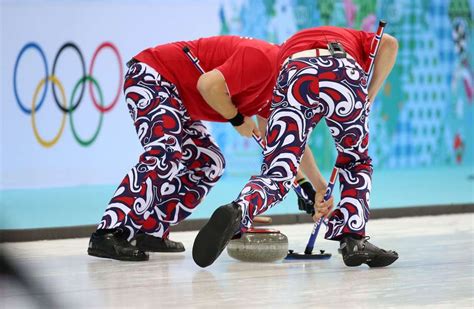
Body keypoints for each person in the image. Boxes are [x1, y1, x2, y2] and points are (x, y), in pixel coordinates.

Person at [87, 35, 323, 261]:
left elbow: (282, 144)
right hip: (152, 75)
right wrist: (238, 119)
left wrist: (310, 187)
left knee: (210, 163)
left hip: (179, 101)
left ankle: (150, 230)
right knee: (166, 152)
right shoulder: (263, 57)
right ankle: (109, 232)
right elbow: (208, 85)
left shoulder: (282, 87)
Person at [193, 26, 400, 268]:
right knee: (355, 162)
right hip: (344, 70)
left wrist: (317, 186)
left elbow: (275, 132)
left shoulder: (287, 48)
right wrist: (370, 93)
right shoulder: (353, 36)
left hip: (294, 71)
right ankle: (353, 239)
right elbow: (389, 43)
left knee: (278, 170)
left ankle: (240, 210)